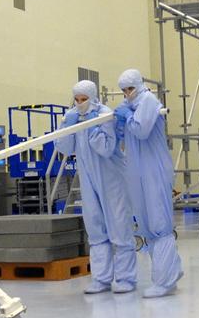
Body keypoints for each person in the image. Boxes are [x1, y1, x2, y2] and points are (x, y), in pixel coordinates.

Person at [56, 81, 137, 294]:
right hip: (88, 178)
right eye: (77, 100)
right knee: (95, 226)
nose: (80, 104)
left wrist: (92, 128)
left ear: (92, 96)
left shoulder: (104, 115)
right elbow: (64, 148)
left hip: (112, 179)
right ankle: (101, 279)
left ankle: (126, 278)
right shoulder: (74, 116)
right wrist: (66, 126)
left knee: (119, 225)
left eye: (84, 99)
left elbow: (106, 148)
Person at [115, 69, 183, 298]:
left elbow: (141, 130)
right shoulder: (132, 105)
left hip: (154, 169)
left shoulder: (149, 101)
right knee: (145, 222)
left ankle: (164, 281)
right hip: (138, 170)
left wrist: (127, 116)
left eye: (130, 89)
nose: (127, 94)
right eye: (124, 91)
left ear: (139, 85)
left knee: (158, 221)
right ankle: (172, 270)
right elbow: (126, 137)